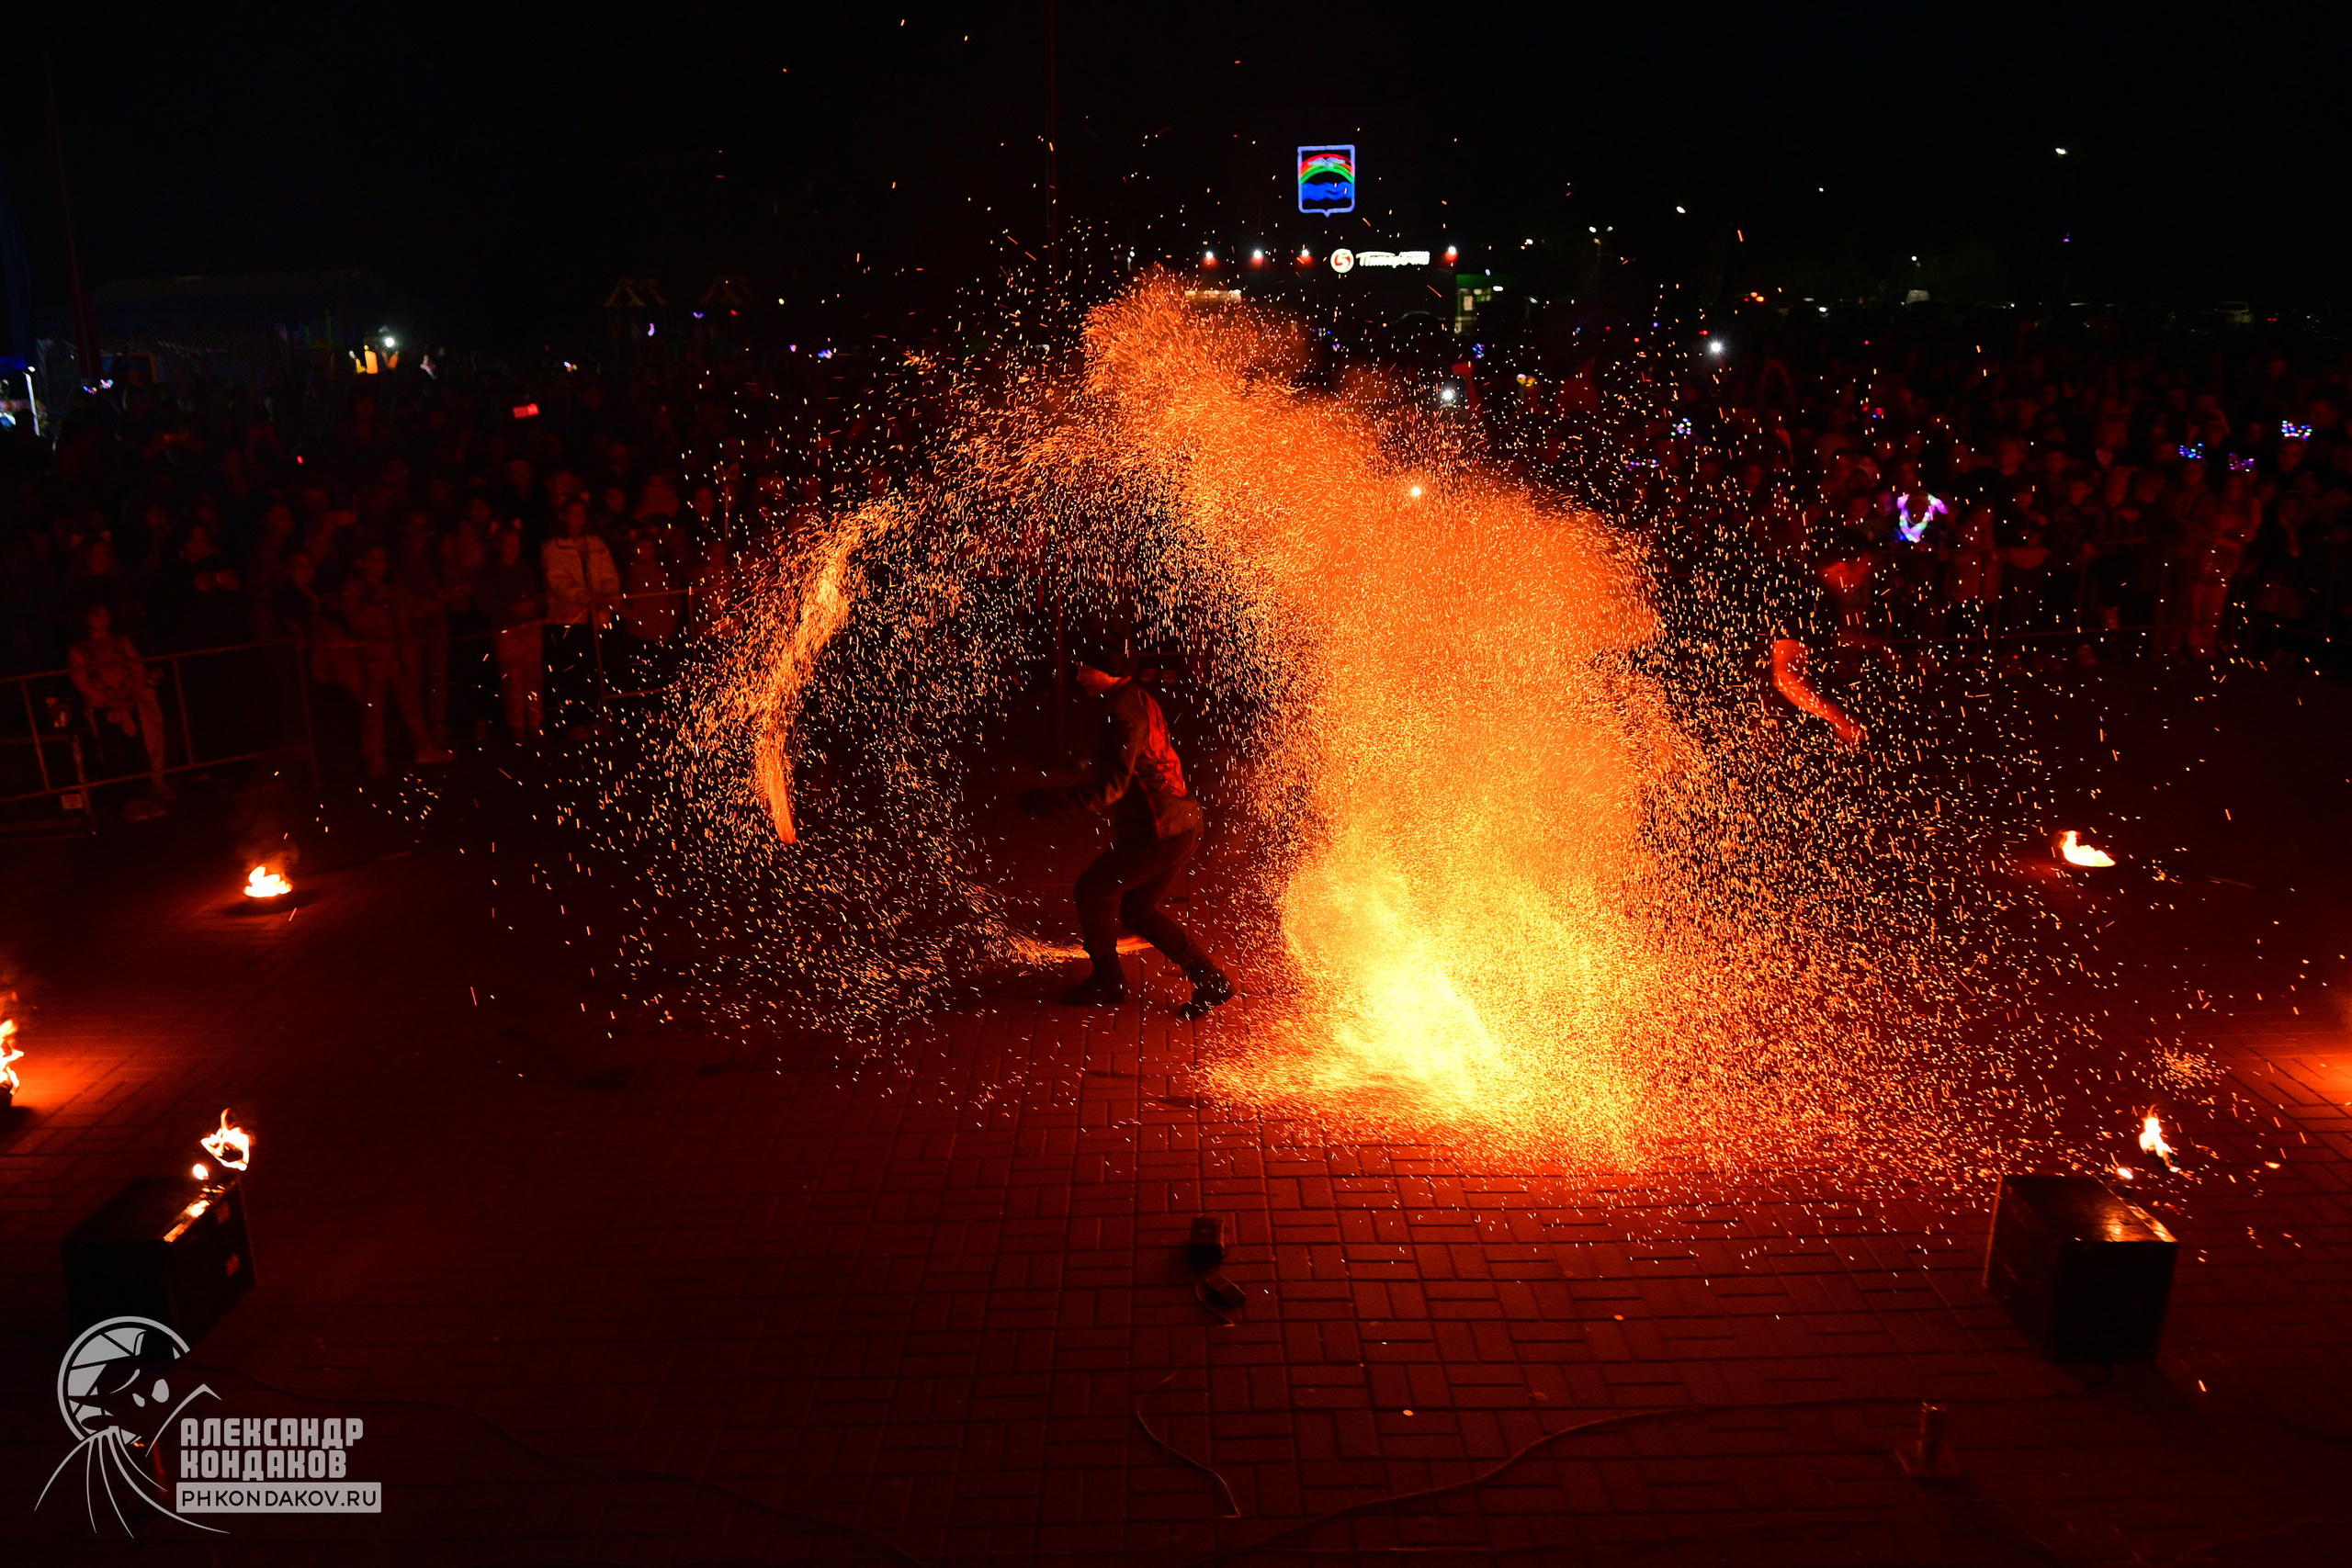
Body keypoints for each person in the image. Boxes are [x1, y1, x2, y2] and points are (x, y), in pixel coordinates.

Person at [1016, 653, 1235, 1018]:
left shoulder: (1119, 712)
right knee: (1138, 909)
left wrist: (1046, 802)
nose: (1080, 675)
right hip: (1182, 824)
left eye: (1086, 667)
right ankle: (1211, 979)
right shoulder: (1137, 694)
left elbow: (1110, 789)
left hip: (1158, 831)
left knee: (1093, 891)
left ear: (1111, 670)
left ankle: (1107, 981)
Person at [68, 604, 175, 807]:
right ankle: (124, 798)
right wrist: (108, 701)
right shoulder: (79, 648)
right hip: (103, 706)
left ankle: (144, 792)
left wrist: (132, 695)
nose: (103, 619)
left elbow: (136, 666)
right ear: (87, 619)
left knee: (137, 747)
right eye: (97, 615)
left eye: (106, 614)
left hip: (128, 701)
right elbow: (80, 679)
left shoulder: (120, 641)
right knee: (114, 751)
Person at [1758, 552, 1865, 750]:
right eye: (1862, 575)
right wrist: (1839, 719)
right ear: (1841, 568)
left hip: (1789, 727)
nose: (1861, 583)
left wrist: (1879, 647)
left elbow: (1826, 632)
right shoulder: (1804, 601)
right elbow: (1786, 677)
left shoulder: (1815, 597)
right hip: (1775, 728)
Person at [540, 495, 620, 734]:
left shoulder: (595, 544)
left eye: (582, 514)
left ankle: (594, 716)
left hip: (595, 617)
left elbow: (609, 575)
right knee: (571, 670)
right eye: (573, 514)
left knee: (593, 668)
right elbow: (557, 581)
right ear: (562, 516)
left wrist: (608, 595)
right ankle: (574, 722)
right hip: (568, 617)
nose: (578, 519)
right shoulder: (552, 548)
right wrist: (586, 596)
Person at [477, 526, 545, 741]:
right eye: (507, 544)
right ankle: (516, 725)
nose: (512, 549)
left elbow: (539, 593)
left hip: (530, 627)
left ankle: (534, 721)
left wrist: (533, 605)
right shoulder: (490, 573)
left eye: (515, 544)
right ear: (498, 545)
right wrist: (512, 609)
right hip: (506, 630)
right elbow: (486, 603)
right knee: (512, 678)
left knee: (533, 676)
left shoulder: (526, 569)